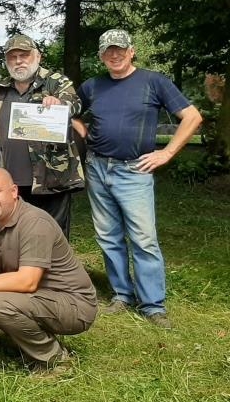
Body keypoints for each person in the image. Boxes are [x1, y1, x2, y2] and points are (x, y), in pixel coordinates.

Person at [76, 29, 203, 328]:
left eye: (120, 49)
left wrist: (167, 153)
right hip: (98, 168)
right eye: (108, 51)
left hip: (135, 170)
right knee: (108, 236)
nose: (114, 55)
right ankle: (122, 294)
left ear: (131, 51)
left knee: (144, 239)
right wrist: (84, 133)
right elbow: (73, 114)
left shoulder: (153, 81)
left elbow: (193, 117)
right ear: (100, 56)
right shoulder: (92, 86)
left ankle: (153, 305)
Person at [0, 168, 97, 370]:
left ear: (14, 191)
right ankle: (27, 339)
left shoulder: (34, 222)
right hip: (37, 299)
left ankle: (55, 360)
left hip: (74, 304)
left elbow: (28, 281)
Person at [0, 34, 83, 238]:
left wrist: (59, 104)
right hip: (11, 180)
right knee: (16, 235)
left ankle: (54, 272)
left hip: (51, 178)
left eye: (24, 55)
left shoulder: (56, 82)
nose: (18, 61)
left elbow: (76, 104)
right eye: (12, 57)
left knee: (52, 235)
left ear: (38, 56)